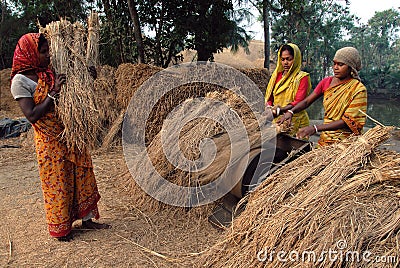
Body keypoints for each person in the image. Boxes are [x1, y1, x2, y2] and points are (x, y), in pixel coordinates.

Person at [10, 33, 110, 241]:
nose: (48, 56)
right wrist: (52, 94)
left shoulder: (49, 72)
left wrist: (86, 76)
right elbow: (32, 115)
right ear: (29, 53)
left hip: (69, 133)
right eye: (43, 52)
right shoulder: (19, 82)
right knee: (58, 181)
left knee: (82, 174)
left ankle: (88, 219)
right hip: (49, 139)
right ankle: (62, 228)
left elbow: (72, 93)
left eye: (48, 51)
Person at [277, 47, 367, 146]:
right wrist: (291, 112)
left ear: (351, 67)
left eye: (341, 64)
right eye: (334, 63)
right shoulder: (326, 82)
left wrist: (315, 128)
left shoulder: (358, 89)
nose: (335, 67)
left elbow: (348, 121)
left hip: (346, 142)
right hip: (325, 139)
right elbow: (307, 101)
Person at [265, 43, 311, 137]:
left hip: (295, 121)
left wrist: (281, 109)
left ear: (296, 59)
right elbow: (270, 97)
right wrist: (270, 107)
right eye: (283, 59)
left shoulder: (302, 78)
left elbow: (299, 101)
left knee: (295, 149)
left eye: (289, 59)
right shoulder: (276, 76)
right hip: (277, 120)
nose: (285, 62)